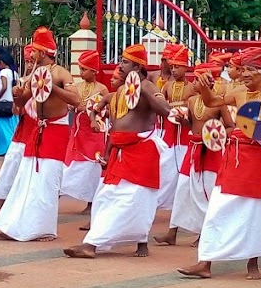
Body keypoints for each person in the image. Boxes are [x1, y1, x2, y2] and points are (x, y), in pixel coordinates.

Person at [178, 47, 261, 280]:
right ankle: (205, 263)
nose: (246, 74)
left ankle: (253, 265)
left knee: (255, 211)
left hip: (259, 156)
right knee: (218, 207)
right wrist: (203, 88)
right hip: (235, 155)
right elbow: (212, 102)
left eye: (251, 70)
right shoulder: (238, 91)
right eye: (244, 69)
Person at [65, 44, 171, 258]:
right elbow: (115, 126)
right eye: (121, 61)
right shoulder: (121, 91)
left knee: (135, 199)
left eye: (125, 62)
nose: (120, 66)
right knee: (107, 196)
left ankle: (95, 245)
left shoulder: (148, 86)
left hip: (141, 151)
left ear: (137, 65)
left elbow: (165, 111)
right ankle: (121, 241)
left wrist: (146, 91)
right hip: (120, 152)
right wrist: (106, 153)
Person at [0, 29, 80, 242]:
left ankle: (43, 229)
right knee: (26, 178)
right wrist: (18, 96)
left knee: (46, 180)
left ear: (42, 52)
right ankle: (11, 224)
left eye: (35, 51)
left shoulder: (61, 73)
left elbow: (75, 100)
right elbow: (21, 104)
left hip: (55, 130)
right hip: (37, 130)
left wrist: (52, 88)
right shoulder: (34, 75)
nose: (30, 56)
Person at [155, 62, 225, 247]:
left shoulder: (219, 102)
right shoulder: (192, 101)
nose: (195, 83)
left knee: (206, 192)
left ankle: (205, 232)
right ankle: (172, 232)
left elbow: (230, 128)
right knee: (182, 190)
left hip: (211, 152)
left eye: (199, 80)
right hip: (192, 150)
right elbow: (191, 125)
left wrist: (213, 136)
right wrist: (182, 121)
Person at [0, 44, 34, 219]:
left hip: (36, 131)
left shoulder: (46, 79)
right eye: (27, 61)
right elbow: (18, 110)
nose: (29, 64)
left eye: (32, 60)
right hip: (22, 129)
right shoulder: (21, 78)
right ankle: (0, 204)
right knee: (9, 165)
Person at [60, 49, 109, 209]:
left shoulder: (102, 89)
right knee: (71, 165)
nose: (81, 73)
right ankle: (58, 193)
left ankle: (91, 202)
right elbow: (70, 104)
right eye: (80, 69)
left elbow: (107, 111)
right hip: (78, 132)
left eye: (84, 69)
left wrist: (93, 112)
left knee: (92, 167)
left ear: (94, 71)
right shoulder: (76, 87)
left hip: (94, 134)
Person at [157, 44, 192, 211]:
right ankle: (163, 201)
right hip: (169, 132)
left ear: (186, 67)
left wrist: (186, 117)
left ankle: (182, 204)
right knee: (165, 166)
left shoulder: (193, 87)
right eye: (172, 67)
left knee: (184, 169)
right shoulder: (167, 86)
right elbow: (160, 104)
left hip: (185, 132)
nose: (174, 70)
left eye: (177, 67)